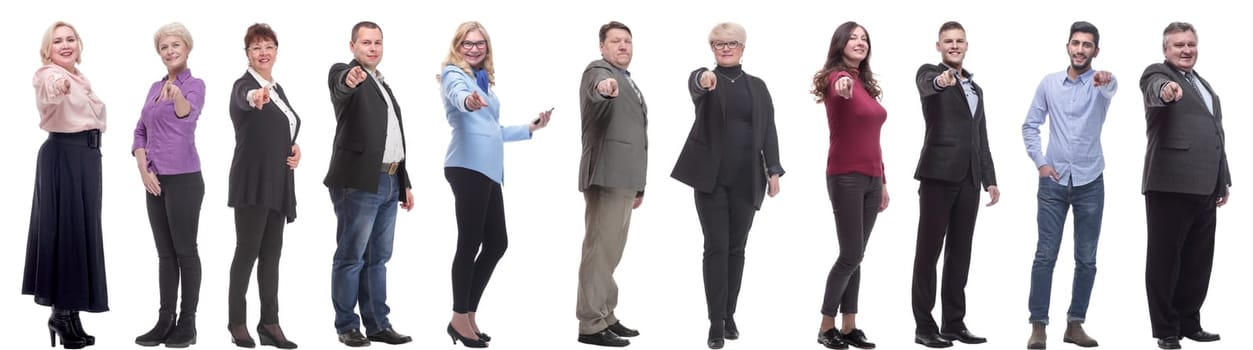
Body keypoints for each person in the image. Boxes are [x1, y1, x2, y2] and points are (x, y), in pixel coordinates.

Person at [438, 21, 553, 348]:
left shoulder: (484, 82)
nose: (474, 49)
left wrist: (530, 128)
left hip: (488, 171)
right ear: (458, 46)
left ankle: (468, 314)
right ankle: (459, 317)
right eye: (468, 44)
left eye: (480, 44)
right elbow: (460, 97)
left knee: (497, 243)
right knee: (469, 242)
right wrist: (468, 101)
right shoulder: (454, 75)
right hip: (466, 165)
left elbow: (493, 130)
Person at [671, 22, 784, 350]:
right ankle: (716, 322)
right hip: (712, 180)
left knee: (737, 249)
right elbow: (695, 81)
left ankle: (730, 313)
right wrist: (703, 78)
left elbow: (769, 130)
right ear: (712, 48)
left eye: (731, 42)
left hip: (748, 179)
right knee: (716, 247)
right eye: (718, 43)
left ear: (743, 47)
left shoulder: (758, 87)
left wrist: (774, 170)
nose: (725, 47)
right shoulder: (707, 80)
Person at [1019, 21, 1114, 350]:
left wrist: (1105, 79)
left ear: (1095, 51)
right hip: (1054, 182)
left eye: (1087, 45)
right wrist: (1041, 164)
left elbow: (1111, 84)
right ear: (1067, 46)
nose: (1080, 49)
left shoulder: (1101, 85)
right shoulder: (1049, 84)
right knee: (1045, 255)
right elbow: (1030, 125)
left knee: (1086, 258)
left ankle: (1075, 325)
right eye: (1076, 43)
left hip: (1090, 181)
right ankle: (1038, 326)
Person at [1139, 21, 1229, 350]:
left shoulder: (1203, 85)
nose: (1186, 50)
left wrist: (1223, 180)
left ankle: (1189, 321)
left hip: (1205, 186)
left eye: (1190, 44)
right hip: (1170, 184)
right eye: (1178, 45)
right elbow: (1155, 89)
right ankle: (1166, 329)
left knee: (1198, 259)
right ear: (1166, 50)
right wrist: (1166, 91)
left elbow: (1216, 134)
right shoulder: (1157, 74)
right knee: (1165, 260)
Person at [324, 21, 415, 348]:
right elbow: (340, 85)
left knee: (378, 258)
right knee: (352, 256)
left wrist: (403, 182)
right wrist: (349, 78)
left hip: (390, 180)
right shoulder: (347, 73)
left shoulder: (383, 85)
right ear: (353, 47)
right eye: (366, 43)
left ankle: (377, 324)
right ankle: (347, 325)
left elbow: (393, 138)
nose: (373, 48)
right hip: (359, 182)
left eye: (377, 42)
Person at [910, 21, 1000, 349]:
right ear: (939, 46)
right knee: (928, 253)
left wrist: (990, 179)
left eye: (959, 41)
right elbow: (927, 84)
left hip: (970, 179)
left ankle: (953, 324)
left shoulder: (977, 89)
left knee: (960, 254)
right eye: (948, 41)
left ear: (966, 45)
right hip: (938, 174)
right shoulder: (930, 73)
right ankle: (924, 326)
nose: (954, 45)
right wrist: (941, 79)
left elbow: (982, 137)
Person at [23, 20, 108, 350]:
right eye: (57, 41)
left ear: (79, 44)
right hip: (64, 156)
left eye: (70, 38)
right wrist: (58, 88)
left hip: (86, 159)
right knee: (67, 233)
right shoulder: (49, 75)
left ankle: (70, 315)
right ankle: (60, 315)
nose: (65, 44)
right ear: (48, 49)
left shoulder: (81, 78)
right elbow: (50, 89)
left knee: (80, 233)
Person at [808, 21, 886, 350]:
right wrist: (841, 81)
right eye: (852, 37)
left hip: (872, 178)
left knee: (858, 255)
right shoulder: (835, 78)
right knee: (850, 253)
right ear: (840, 44)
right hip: (845, 176)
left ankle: (850, 325)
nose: (859, 42)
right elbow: (838, 83)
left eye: (864, 38)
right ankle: (826, 326)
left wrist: (883, 181)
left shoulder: (865, 84)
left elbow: (874, 139)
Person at [132, 22, 207, 348]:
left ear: (186, 48)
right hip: (155, 180)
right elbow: (139, 132)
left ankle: (187, 324)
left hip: (185, 180)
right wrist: (142, 168)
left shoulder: (195, 85)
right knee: (165, 255)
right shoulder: (153, 87)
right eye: (164, 47)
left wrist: (177, 96)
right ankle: (165, 321)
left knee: (185, 253)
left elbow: (186, 116)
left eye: (176, 45)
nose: (170, 51)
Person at [226, 23, 301, 349]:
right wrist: (254, 96)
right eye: (256, 47)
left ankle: (270, 323)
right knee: (247, 254)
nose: (263, 52)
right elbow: (246, 101)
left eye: (268, 46)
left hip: (278, 183)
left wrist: (295, 147)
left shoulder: (279, 90)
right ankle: (237, 321)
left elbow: (284, 127)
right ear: (247, 54)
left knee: (272, 257)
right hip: (252, 182)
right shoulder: (244, 86)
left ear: (276, 51)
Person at [576, 20, 648, 348]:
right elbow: (598, 88)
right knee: (599, 251)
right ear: (602, 47)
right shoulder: (598, 71)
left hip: (624, 178)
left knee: (612, 252)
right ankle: (590, 325)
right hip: (606, 175)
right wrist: (605, 87)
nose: (623, 47)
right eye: (616, 41)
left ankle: (606, 314)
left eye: (627, 42)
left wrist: (639, 185)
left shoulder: (628, 79)